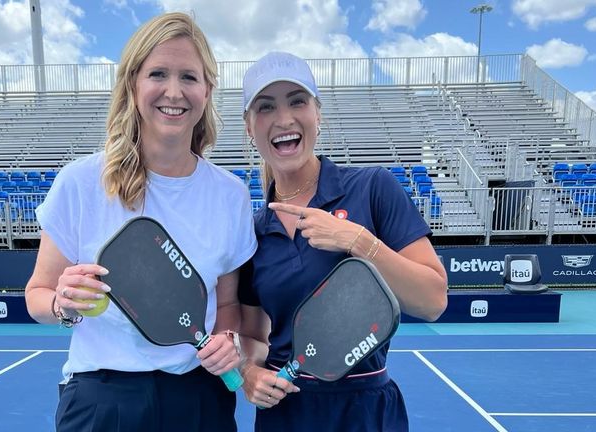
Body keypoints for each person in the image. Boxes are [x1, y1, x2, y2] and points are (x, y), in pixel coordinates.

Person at [24, 12, 256, 432]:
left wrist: (227, 341)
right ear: (133, 84)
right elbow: (37, 295)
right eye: (157, 74)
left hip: (199, 398)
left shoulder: (230, 195)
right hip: (102, 399)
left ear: (207, 90)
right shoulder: (79, 182)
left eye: (189, 76)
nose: (174, 91)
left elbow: (226, 305)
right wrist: (63, 304)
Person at [237, 52, 448, 431]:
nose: (284, 119)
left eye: (297, 101)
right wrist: (249, 371)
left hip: (365, 411)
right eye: (266, 107)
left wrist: (359, 242)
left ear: (318, 114)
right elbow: (253, 335)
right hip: (286, 413)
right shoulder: (252, 230)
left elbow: (433, 301)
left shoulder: (372, 188)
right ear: (249, 128)